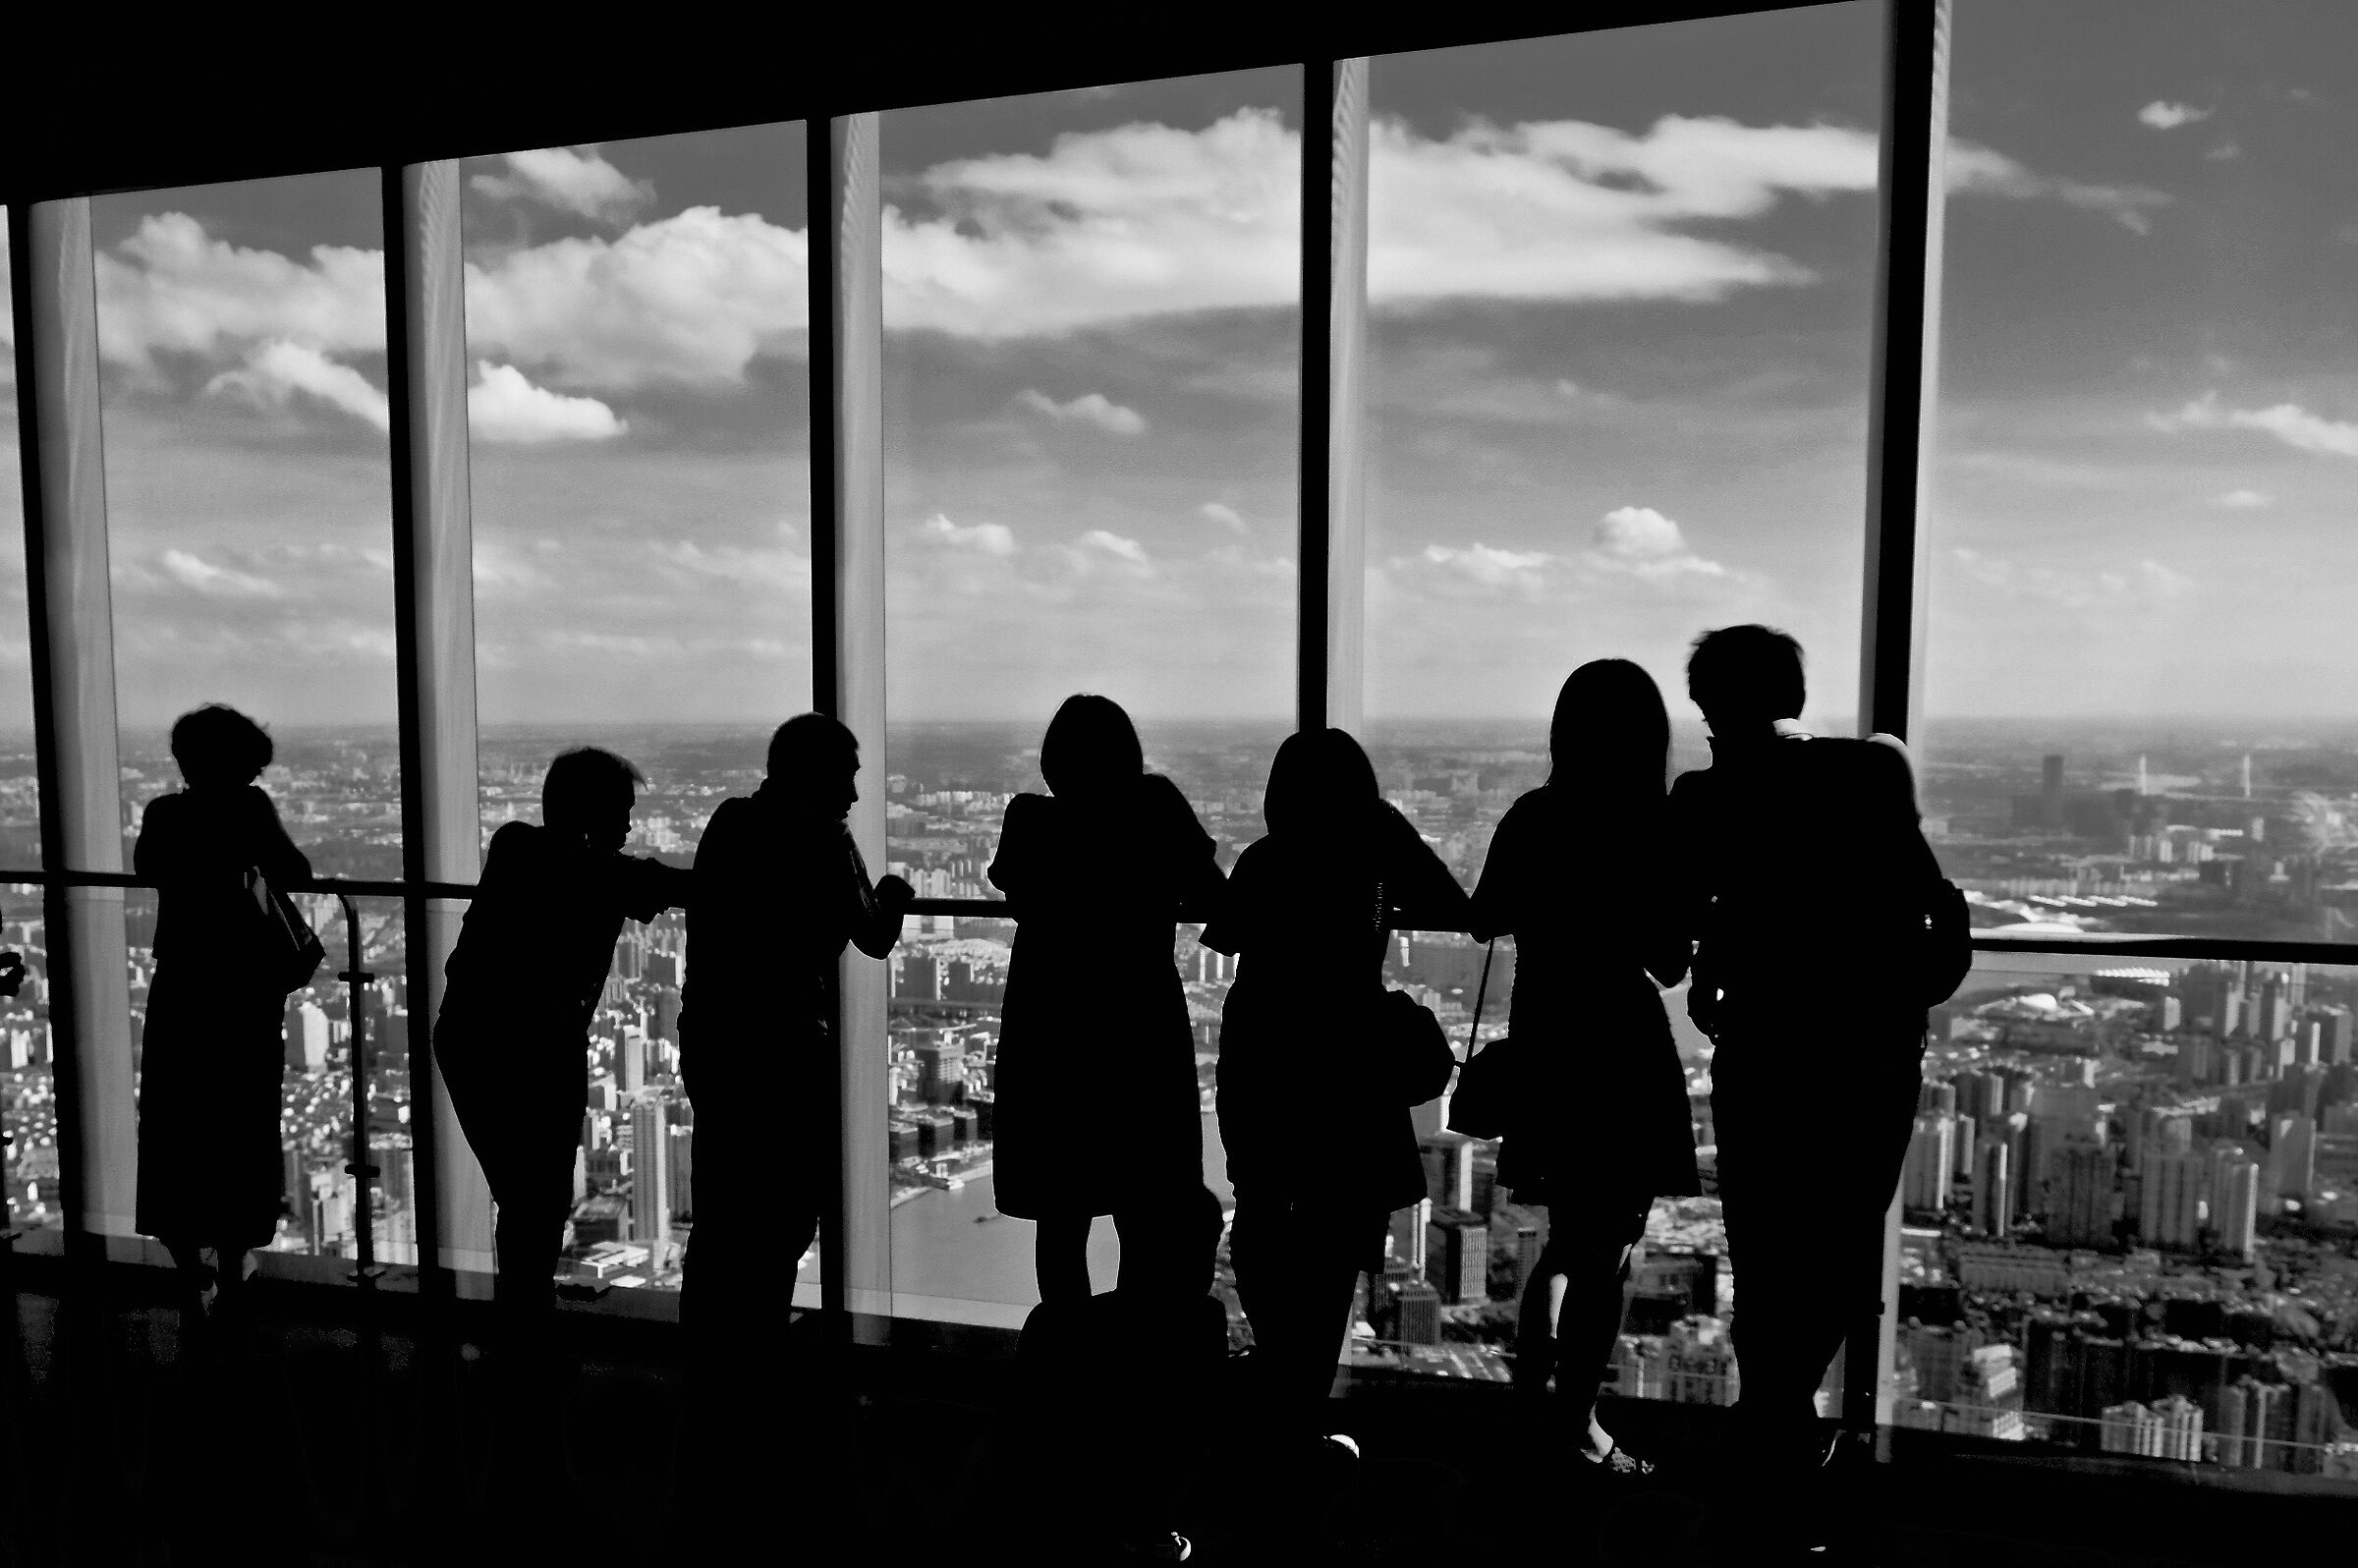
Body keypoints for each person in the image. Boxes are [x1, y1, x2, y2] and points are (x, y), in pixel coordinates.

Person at [1667, 626, 1941, 1492]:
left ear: (1706, 704)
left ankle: (1772, 1423)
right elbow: (1918, 886)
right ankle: (1781, 1426)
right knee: (1841, 1237)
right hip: (1871, 1049)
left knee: (1765, 1246)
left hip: (1766, 1053)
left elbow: (1676, 933)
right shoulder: (1872, 769)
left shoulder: (1701, 799)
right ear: (1796, 692)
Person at [1202, 728, 1471, 1455]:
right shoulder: (1375, 854)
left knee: (1261, 1207)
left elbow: (1224, 936)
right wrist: (1391, 831)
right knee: (1335, 1237)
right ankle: (1298, 1411)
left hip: (1263, 1049)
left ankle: (1280, 1402)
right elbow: (1457, 909)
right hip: (1347, 1057)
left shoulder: (1265, 859)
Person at [1469, 660, 1696, 1478]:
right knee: (1606, 1254)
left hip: (1545, 1038)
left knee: (1566, 1244)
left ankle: (1536, 1414)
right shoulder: (1653, 826)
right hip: (1621, 1050)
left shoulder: (1533, 815)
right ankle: (1577, 1424)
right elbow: (1669, 964)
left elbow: (1484, 916)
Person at [434, 747, 690, 1327]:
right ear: (589, 813)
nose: (628, 825)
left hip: (472, 1041)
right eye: (620, 811)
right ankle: (524, 1326)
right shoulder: (600, 870)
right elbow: (680, 887)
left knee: (529, 1200)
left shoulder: (514, 846)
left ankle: (523, 1320)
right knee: (538, 1201)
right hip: (535, 1055)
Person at [989, 695, 1226, 1306]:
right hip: (1137, 1022)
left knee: (1061, 1211)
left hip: (1050, 1028)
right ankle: (1135, 1351)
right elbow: (1215, 896)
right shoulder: (1156, 809)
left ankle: (1068, 1353)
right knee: (1144, 1196)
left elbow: (1012, 883)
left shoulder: (1029, 821)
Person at [678, 713, 911, 1335]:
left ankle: (708, 1342)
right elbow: (875, 935)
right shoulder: (825, 838)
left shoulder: (730, 821)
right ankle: (758, 1335)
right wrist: (897, 890)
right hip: (783, 1055)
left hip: (714, 1043)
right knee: (784, 1213)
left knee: (722, 1206)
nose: (855, 795)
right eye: (849, 778)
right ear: (819, 776)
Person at [134, 704, 311, 1329]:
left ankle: (191, 1263)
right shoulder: (249, 809)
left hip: (182, 983)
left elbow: (147, 869)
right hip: (242, 988)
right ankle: (234, 1261)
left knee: (173, 1118)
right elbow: (295, 872)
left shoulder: (164, 813)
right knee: (241, 1116)